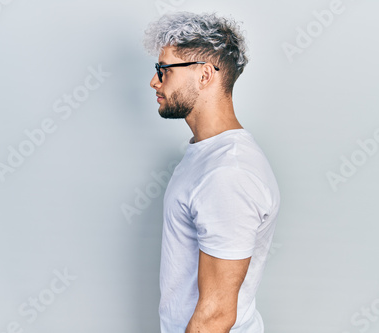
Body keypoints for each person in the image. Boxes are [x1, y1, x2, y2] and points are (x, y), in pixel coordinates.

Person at [143, 11, 281, 333]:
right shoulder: (206, 154)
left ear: (205, 75)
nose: (154, 81)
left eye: (164, 70)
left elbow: (216, 316)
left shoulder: (228, 173)